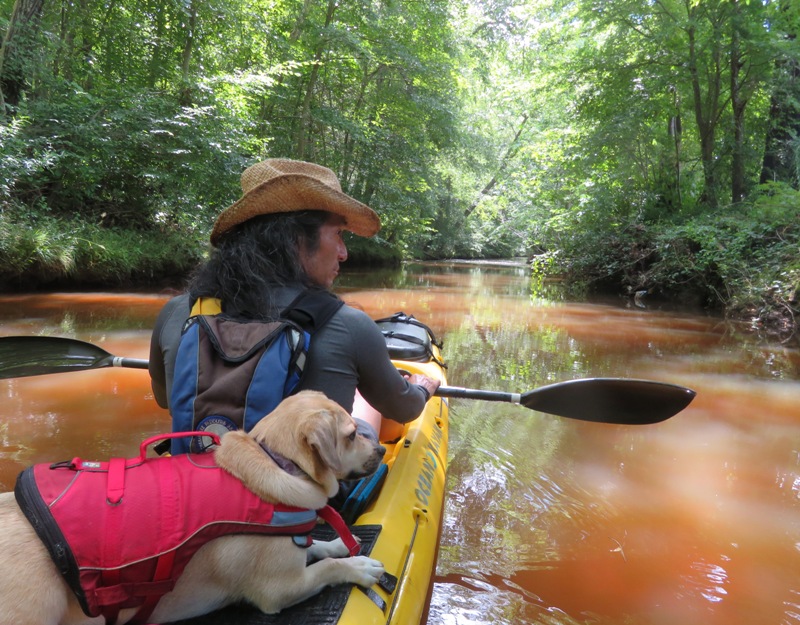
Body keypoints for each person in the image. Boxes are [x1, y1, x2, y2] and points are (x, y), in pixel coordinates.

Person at [149, 158, 440, 439]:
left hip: (200, 478)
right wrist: (422, 388)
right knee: (360, 420)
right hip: (300, 489)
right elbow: (404, 409)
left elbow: (165, 399)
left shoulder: (177, 312)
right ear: (295, 240)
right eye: (338, 234)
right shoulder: (349, 326)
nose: (344, 253)